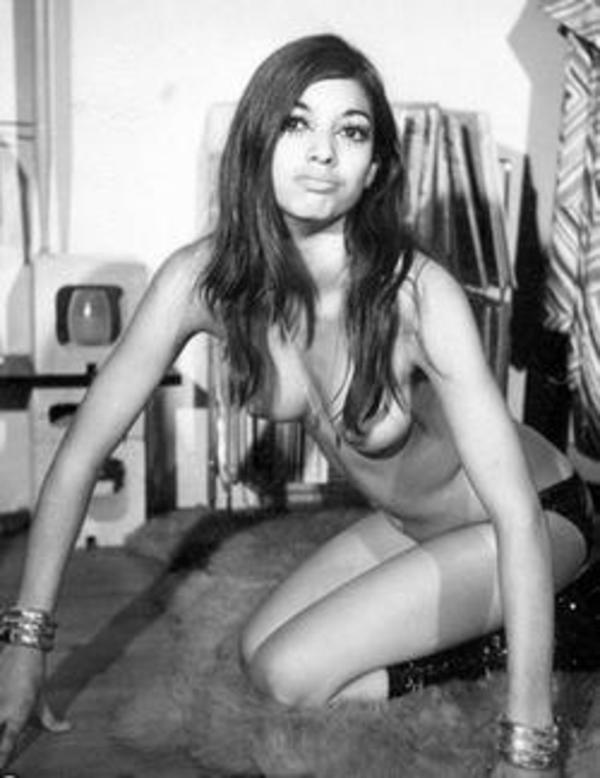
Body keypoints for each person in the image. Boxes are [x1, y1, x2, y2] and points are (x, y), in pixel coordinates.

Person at [0, 33, 593, 776]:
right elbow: (81, 454)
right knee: (257, 653)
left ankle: (569, 633)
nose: (321, 152)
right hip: (411, 523)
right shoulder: (200, 280)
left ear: (374, 168)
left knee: (292, 673)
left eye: (351, 131)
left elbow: (515, 515)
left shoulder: (416, 294)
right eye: (297, 123)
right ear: (258, 140)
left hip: (537, 519)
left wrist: (528, 742)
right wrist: (24, 646)